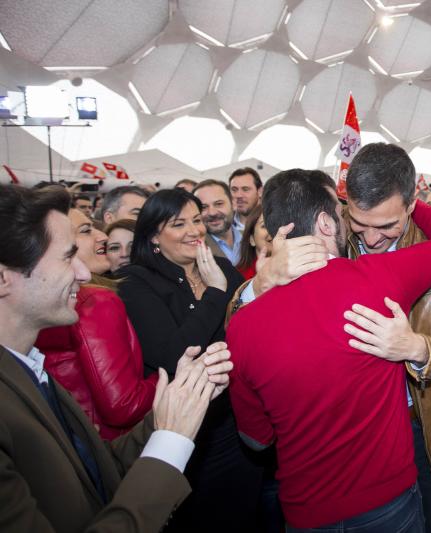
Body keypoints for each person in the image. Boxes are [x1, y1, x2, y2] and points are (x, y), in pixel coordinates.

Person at [243, 143, 431, 533]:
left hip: (417, 417)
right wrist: (260, 284)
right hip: (337, 429)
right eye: (358, 222)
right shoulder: (326, 244)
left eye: (387, 226)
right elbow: (252, 328)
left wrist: (415, 347)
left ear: (411, 204)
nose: (371, 238)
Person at [0, 184, 233, 532]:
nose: (83, 272)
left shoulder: (32, 368)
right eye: (67, 257)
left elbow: (96, 465)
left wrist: (170, 412)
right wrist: (170, 444)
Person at [118, 189, 261, 531]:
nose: (194, 230)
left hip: (240, 424)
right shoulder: (137, 284)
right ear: (154, 236)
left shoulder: (221, 267)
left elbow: (254, 327)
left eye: (196, 220)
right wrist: (214, 293)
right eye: (178, 224)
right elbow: (173, 354)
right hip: (189, 437)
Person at [35, 208, 157, 439]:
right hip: (113, 448)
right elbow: (124, 406)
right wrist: (169, 377)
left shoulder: (46, 302)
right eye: (86, 230)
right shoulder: (92, 301)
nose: (102, 236)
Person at [193, 179, 243, 266]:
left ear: (233, 204)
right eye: (204, 207)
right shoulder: (193, 249)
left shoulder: (251, 238)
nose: (212, 213)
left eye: (219, 204)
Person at [236, 209, 273, 279]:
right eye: (264, 226)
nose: (272, 230)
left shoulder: (296, 268)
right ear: (252, 239)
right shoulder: (238, 275)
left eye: (276, 225)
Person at [229, 167, 263, 232]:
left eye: (245, 189)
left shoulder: (274, 223)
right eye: (234, 190)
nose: (239, 195)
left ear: (260, 191)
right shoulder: (222, 225)